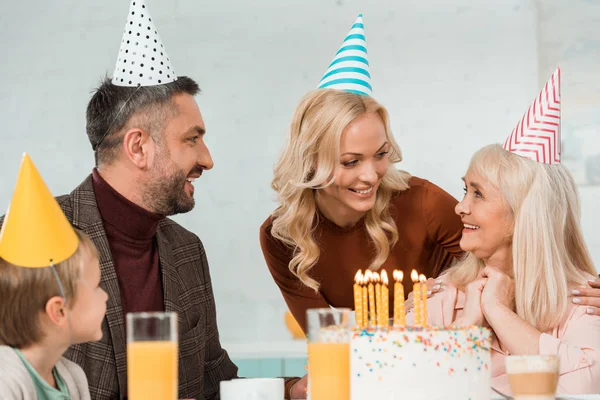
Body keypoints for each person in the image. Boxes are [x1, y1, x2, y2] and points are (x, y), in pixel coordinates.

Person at [260, 14, 463, 333]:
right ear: (311, 161)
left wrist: (452, 288)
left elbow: (500, 269)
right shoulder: (283, 237)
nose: (371, 176)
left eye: (381, 155)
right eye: (350, 161)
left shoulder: (425, 202)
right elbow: (326, 339)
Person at [411, 69, 600, 394]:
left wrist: (498, 311)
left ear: (524, 215)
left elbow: (582, 388)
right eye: (464, 190)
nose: (460, 207)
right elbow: (392, 381)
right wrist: (467, 324)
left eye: (478, 194)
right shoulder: (442, 293)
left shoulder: (583, 299)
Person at [0, 154, 108, 400]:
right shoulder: (5, 382)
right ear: (59, 311)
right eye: (96, 286)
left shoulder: (72, 378)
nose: (105, 296)